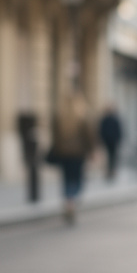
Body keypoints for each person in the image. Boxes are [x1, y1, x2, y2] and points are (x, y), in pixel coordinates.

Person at [48, 94, 94, 224]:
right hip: (78, 154)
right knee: (77, 179)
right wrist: (91, 151)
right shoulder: (82, 117)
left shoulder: (59, 117)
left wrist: (58, 150)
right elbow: (88, 136)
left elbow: (55, 137)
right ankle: (72, 202)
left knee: (66, 179)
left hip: (63, 154)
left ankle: (69, 202)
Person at [98, 104, 123, 182]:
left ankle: (111, 170)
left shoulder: (107, 120)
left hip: (110, 140)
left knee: (111, 156)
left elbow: (102, 131)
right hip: (111, 140)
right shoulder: (109, 120)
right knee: (111, 156)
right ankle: (110, 170)